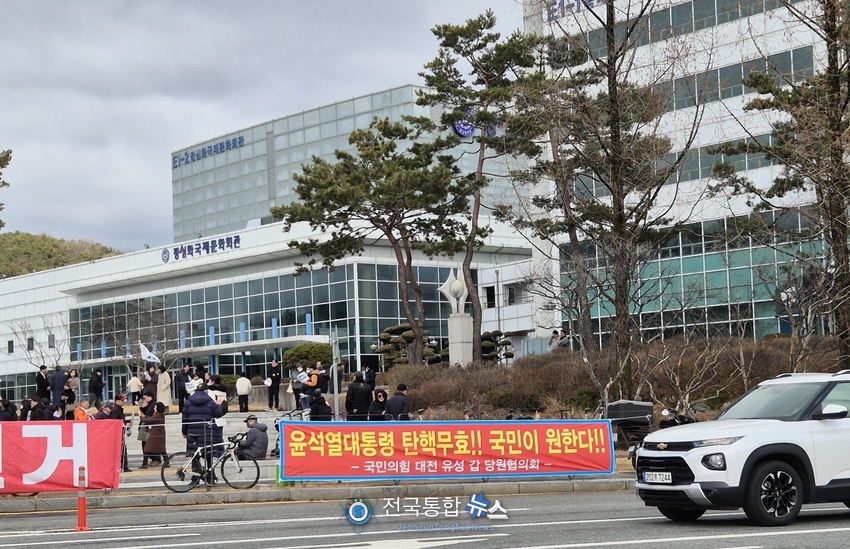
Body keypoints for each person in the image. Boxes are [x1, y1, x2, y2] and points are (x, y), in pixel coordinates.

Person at [182, 382, 225, 486]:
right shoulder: (210, 402)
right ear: (206, 391)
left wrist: (184, 431)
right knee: (209, 455)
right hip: (207, 432)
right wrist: (219, 405)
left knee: (195, 456)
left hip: (192, 432)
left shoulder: (188, 402)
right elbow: (218, 414)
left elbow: (184, 419)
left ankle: (195, 480)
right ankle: (210, 478)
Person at [140, 402, 167, 467]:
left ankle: (144, 464)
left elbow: (149, 421)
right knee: (162, 449)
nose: (154, 408)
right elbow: (151, 419)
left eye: (155, 407)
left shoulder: (157, 415)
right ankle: (167, 462)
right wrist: (145, 416)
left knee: (147, 448)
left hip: (155, 434)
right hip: (159, 434)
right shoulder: (160, 414)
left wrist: (141, 417)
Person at [110, 394, 132, 472]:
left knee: (122, 449)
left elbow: (119, 420)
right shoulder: (115, 410)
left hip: (120, 432)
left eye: (123, 400)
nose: (123, 401)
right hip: (117, 433)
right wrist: (125, 423)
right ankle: (123, 466)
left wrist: (127, 422)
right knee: (121, 450)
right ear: (117, 401)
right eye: (121, 400)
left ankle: (124, 466)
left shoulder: (118, 409)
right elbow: (114, 422)